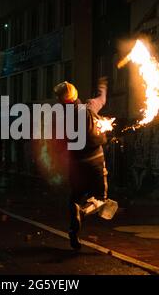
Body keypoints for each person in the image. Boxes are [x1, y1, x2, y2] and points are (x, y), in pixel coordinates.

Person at [53, 77, 109, 250]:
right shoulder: (90, 106)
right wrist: (102, 86)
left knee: (75, 198)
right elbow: (102, 99)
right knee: (101, 198)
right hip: (96, 161)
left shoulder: (60, 117)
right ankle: (84, 212)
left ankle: (74, 232)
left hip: (76, 164)